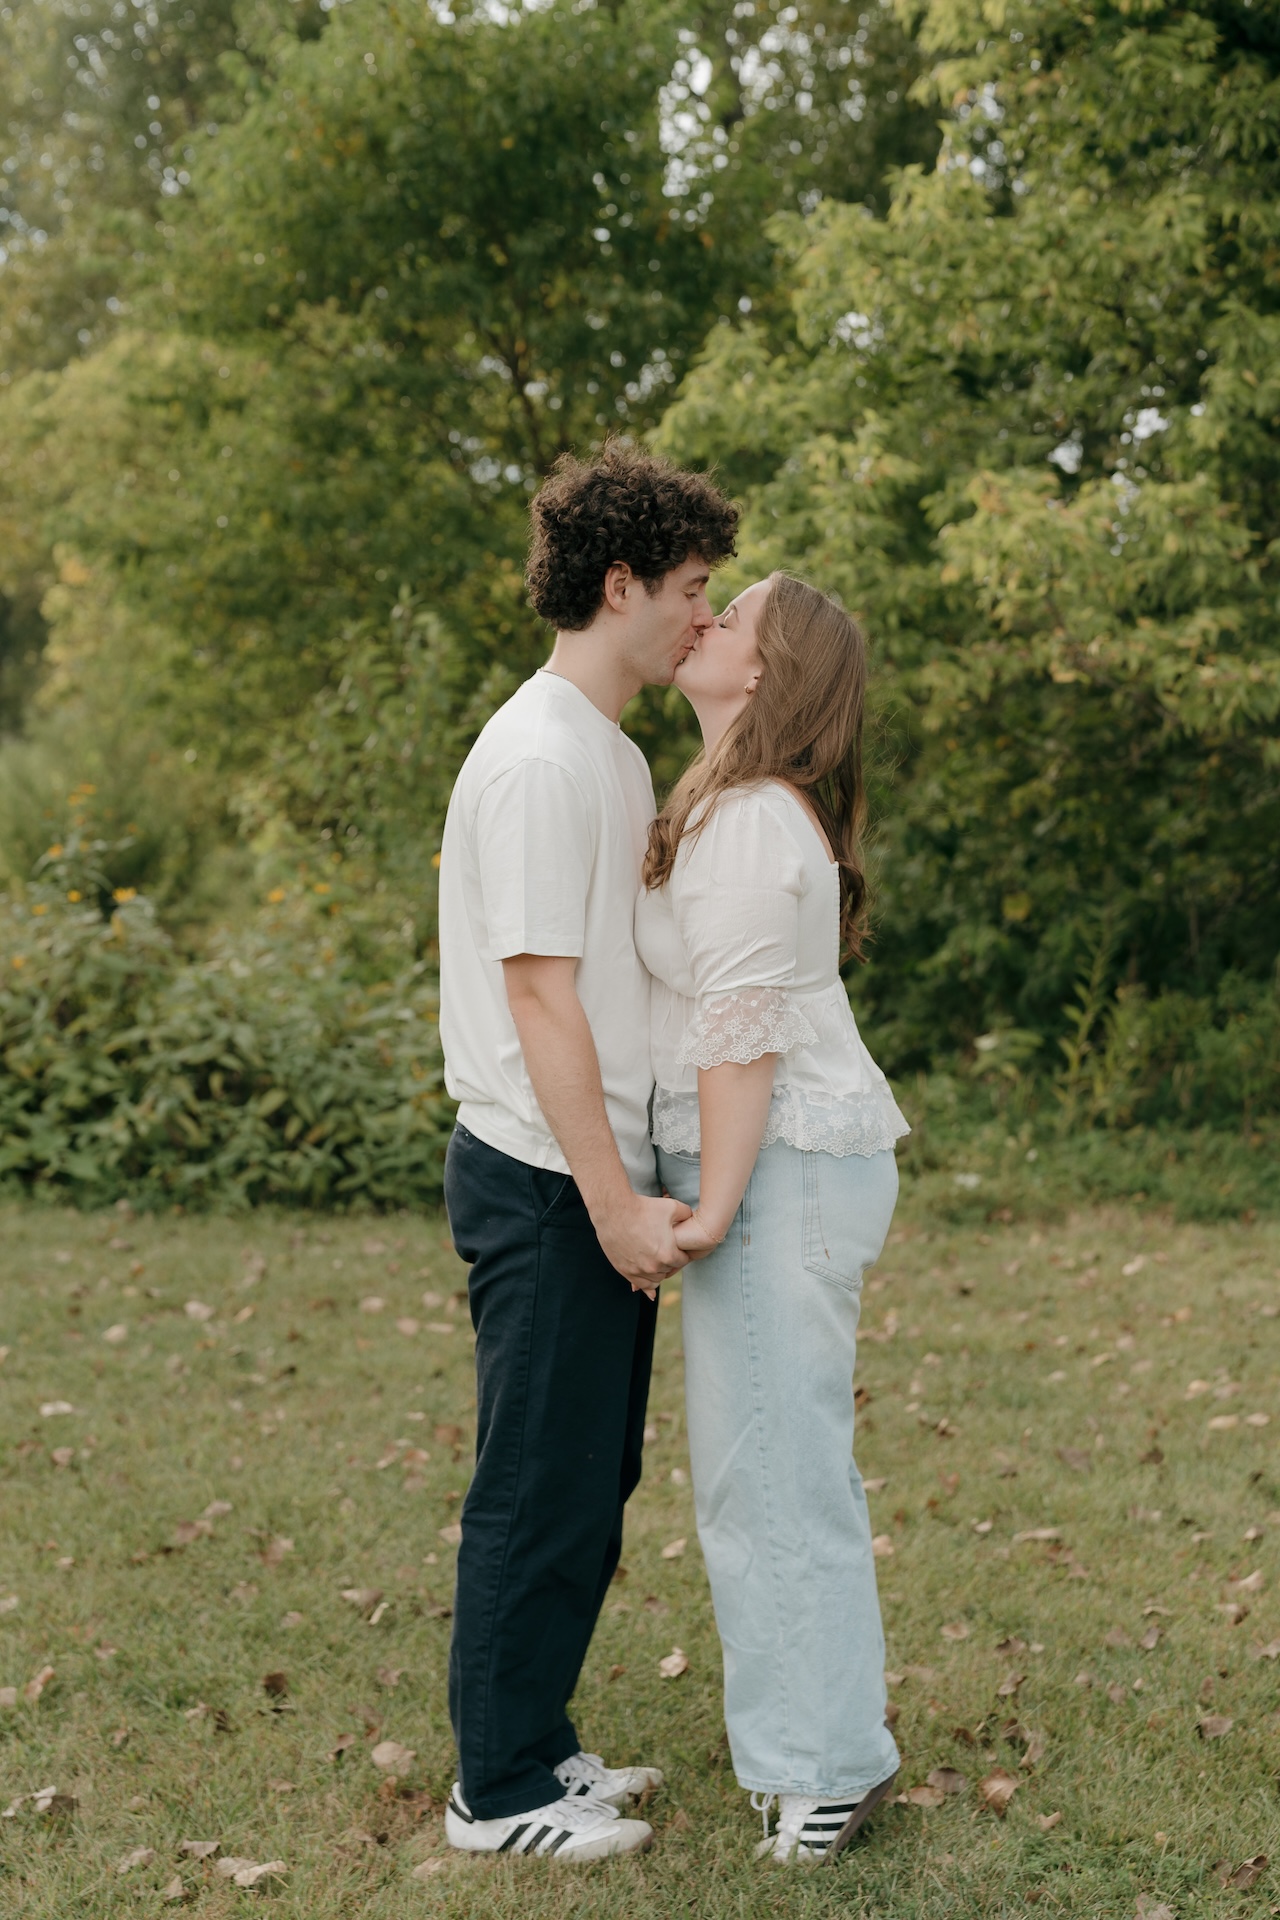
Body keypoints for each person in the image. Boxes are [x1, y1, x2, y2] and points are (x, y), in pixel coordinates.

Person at [437, 445, 739, 1861]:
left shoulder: (609, 751)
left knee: (586, 1474)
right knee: (537, 1480)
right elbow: (539, 994)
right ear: (616, 583)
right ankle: (494, 1795)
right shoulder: (545, 758)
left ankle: (541, 1745)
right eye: (689, 588)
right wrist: (612, 1202)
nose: (703, 616)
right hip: (548, 1177)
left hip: (592, 1167)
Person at [636, 571, 911, 1864]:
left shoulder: (750, 822)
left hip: (781, 1166)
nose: (706, 623)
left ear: (766, 675)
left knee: (770, 1469)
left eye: (731, 617)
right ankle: (831, 1746)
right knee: (776, 1461)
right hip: (789, 1160)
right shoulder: (738, 807)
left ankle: (820, 1766)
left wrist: (712, 1210)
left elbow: (740, 1038)